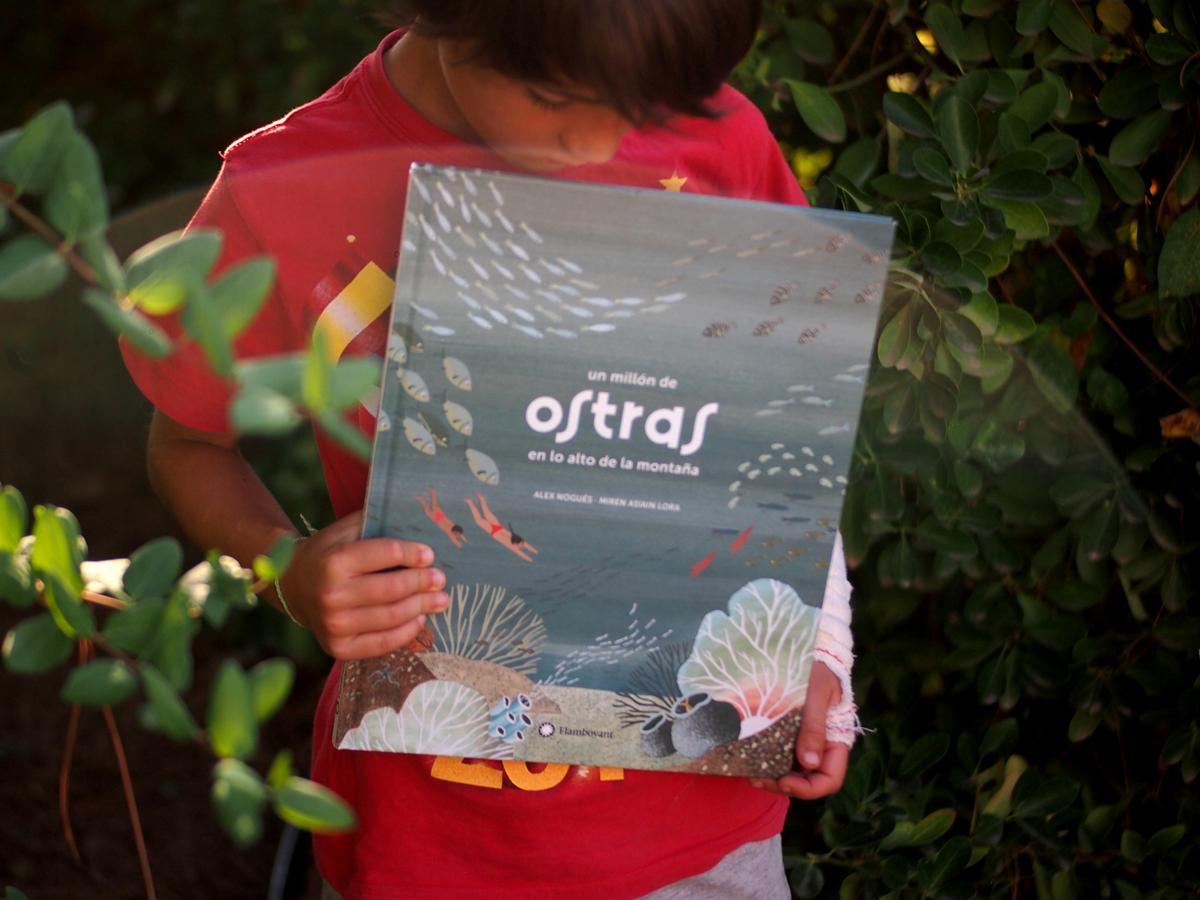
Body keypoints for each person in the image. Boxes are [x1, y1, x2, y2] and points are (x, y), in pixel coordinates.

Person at [121, 1, 861, 897]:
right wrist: (291, 573)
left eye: (644, 106)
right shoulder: (282, 185)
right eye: (559, 102)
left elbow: (779, 426)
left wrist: (821, 647)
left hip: (702, 831)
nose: (602, 143)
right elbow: (189, 442)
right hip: (429, 838)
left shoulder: (718, 134)